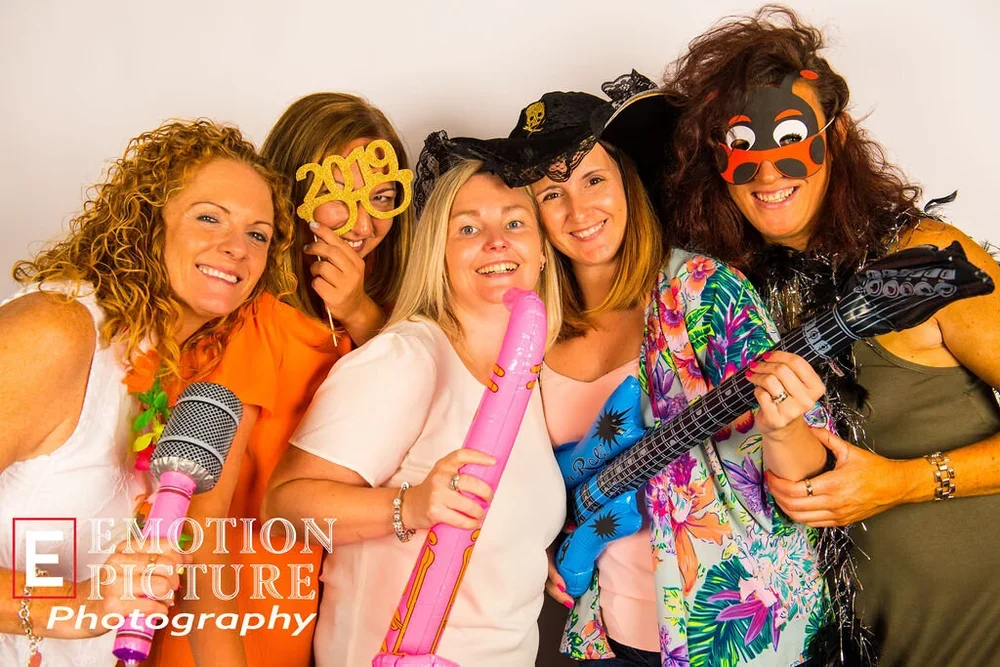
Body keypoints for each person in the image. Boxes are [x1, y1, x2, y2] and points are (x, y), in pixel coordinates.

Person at [661, 7, 1000, 665]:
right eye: (740, 145)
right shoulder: (730, 304)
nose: (768, 173)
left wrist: (902, 481)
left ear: (835, 136)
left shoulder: (922, 262)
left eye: (788, 137)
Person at [499, 71, 830, 666]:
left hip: (736, 636)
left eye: (594, 179)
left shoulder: (703, 294)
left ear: (628, 184)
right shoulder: (530, 331)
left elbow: (811, 473)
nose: (579, 209)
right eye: (551, 194)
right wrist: (546, 535)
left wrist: (785, 427)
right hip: (606, 637)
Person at [0, 119, 296, 667]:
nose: (236, 247)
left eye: (258, 233)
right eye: (209, 217)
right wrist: (81, 606)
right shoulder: (56, 331)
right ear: (147, 224)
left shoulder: (170, 370)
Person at [263, 149, 565, 667]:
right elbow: (284, 509)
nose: (496, 240)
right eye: (468, 229)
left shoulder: (531, 378)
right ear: (438, 255)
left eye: (515, 222)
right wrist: (412, 505)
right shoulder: (405, 358)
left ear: (541, 252)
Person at [148, 92, 416, 667]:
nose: (363, 221)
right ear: (293, 196)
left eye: (382, 196)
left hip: (299, 620)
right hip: (220, 633)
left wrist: (361, 312)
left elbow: (405, 398)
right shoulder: (259, 325)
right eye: (336, 194)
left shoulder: (348, 325)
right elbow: (202, 520)